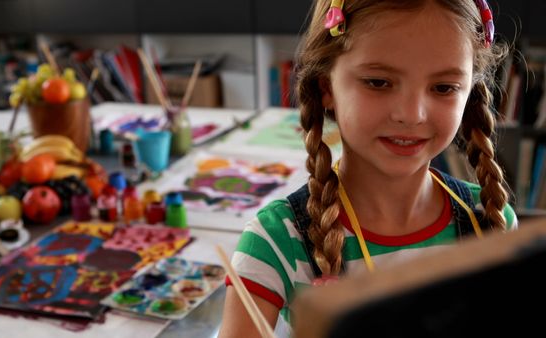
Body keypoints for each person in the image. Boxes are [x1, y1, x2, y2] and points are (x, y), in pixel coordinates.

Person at [219, 0, 518, 337]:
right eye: (378, 82)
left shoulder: (490, 220)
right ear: (326, 87)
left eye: (443, 88)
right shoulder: (276, 243)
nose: (412, 114)